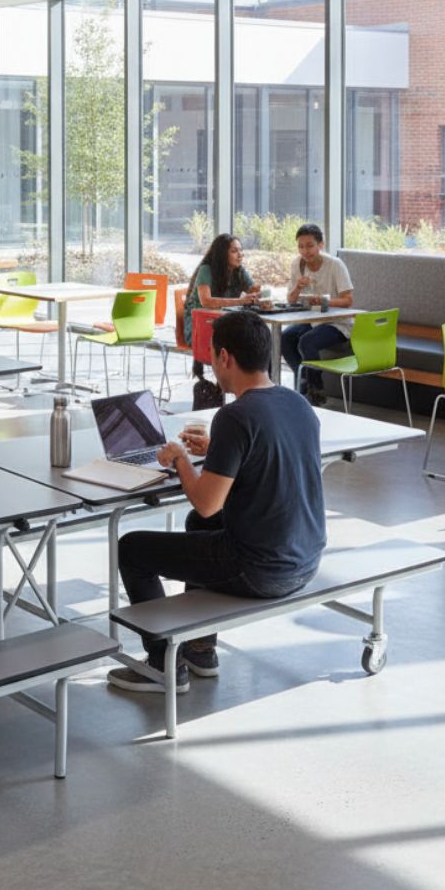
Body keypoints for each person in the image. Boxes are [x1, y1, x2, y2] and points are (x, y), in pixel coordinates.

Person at [108, 311, 325, 694]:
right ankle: (201, 649)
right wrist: (219, 452)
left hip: (260, 569)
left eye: (211, 354)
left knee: (131, 549)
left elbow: (208, 501)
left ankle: (162, 664)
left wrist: (178, 458)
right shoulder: (297, 403)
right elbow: (268, 457)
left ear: (225, 357)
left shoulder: (235, 414)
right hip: (305, 559)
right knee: (199, 525)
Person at [182, 232, 259, 407]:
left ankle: (251, 396)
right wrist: (241, 300)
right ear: (222, 253)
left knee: (255, 344)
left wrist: (257, 292)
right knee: (241, 348)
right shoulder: (206, 270)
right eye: (234, 251)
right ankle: (240, 396)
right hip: (199, 326)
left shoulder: (239, 271)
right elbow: (206, 301)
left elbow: (253, 289)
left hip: (224, 326)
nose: (240, 255)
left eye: (241, 251)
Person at [280, 223, 354, 407]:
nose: (305, 251)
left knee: (307, 341)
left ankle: (315, 390)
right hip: (312, 320)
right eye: (301, 246)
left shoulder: (335, 265)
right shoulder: (297, 264)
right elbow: (291, 300)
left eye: (310, 245)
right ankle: (302, 381)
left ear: (321, 245)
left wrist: (323, 301)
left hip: (337, 323)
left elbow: (347, 300)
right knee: (286, 337)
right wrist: (298, 287)